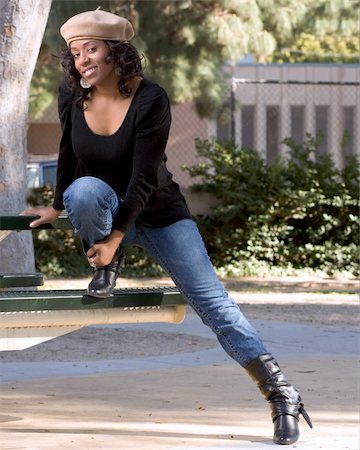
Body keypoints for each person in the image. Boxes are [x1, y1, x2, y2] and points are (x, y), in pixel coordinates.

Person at [23, 9, 312, 445]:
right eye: (76, 52)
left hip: (158, 213)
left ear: (116, 52)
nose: (82, 59)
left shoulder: (150, 98)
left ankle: (281, 393)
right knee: (81, 191)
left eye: (92, 49)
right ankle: (107, 267)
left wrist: (116, 236)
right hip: (100, 209)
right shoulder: (72, 97)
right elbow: (68, 154)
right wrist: (55, 204)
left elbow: (144, 178)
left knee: (216, 306)